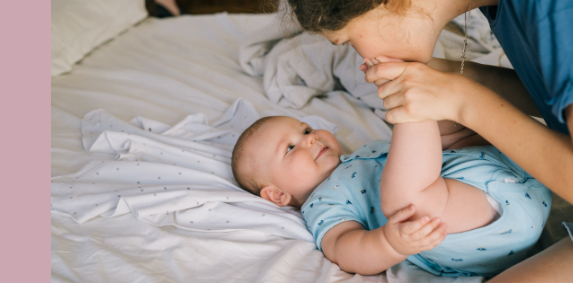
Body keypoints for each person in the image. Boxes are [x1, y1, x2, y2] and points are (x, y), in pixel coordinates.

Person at [276, 0, 573, 281]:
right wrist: (455, 80)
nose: (361, 57)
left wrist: (464, 100)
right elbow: (567, 97)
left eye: (349, 39)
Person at [230, 114, 552, 277]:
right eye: (290, 148)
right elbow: (344, 248)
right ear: (277, 195)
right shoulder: (321, 204)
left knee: (440, 127)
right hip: (484, 222)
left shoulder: (362, 153)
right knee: (409, 198)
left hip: (517, 172)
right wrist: (390, 243)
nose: (310, 139)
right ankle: (416, 105)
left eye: (305, 131)